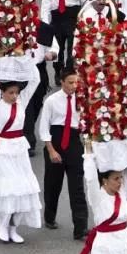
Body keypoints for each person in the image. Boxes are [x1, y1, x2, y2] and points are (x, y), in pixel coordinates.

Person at [0, 63, 43, 243]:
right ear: (2, 92)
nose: (15, 96)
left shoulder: (22, 102)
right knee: (9, 189)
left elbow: (35, 80)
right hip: (3, 150)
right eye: (10, 93)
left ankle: (14, 227)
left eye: (16, 92)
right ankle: (2, 223)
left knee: (23, 188)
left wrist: (28, 60)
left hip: (19, 149)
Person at [39, 68, 88, 239]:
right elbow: (44, 128)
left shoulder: (81, 100)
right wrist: (51, 150)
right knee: (53, 184)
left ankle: (80, 227)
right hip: (56, 140)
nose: (74, 86)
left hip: (74, 143)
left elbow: (86, 122)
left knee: (77, 187)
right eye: (70, 82)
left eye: (76, 82)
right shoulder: (51, 101)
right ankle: (50, 217)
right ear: (62, 82)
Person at [39, 0, 89, 77]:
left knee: (72, 48)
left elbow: (85, 1)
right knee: (58, 47)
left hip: (72, 16)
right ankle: (58, 70)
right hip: (57, 16)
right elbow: (47, 1)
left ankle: (69, 72)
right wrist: (45, 20)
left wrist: (84, 20)